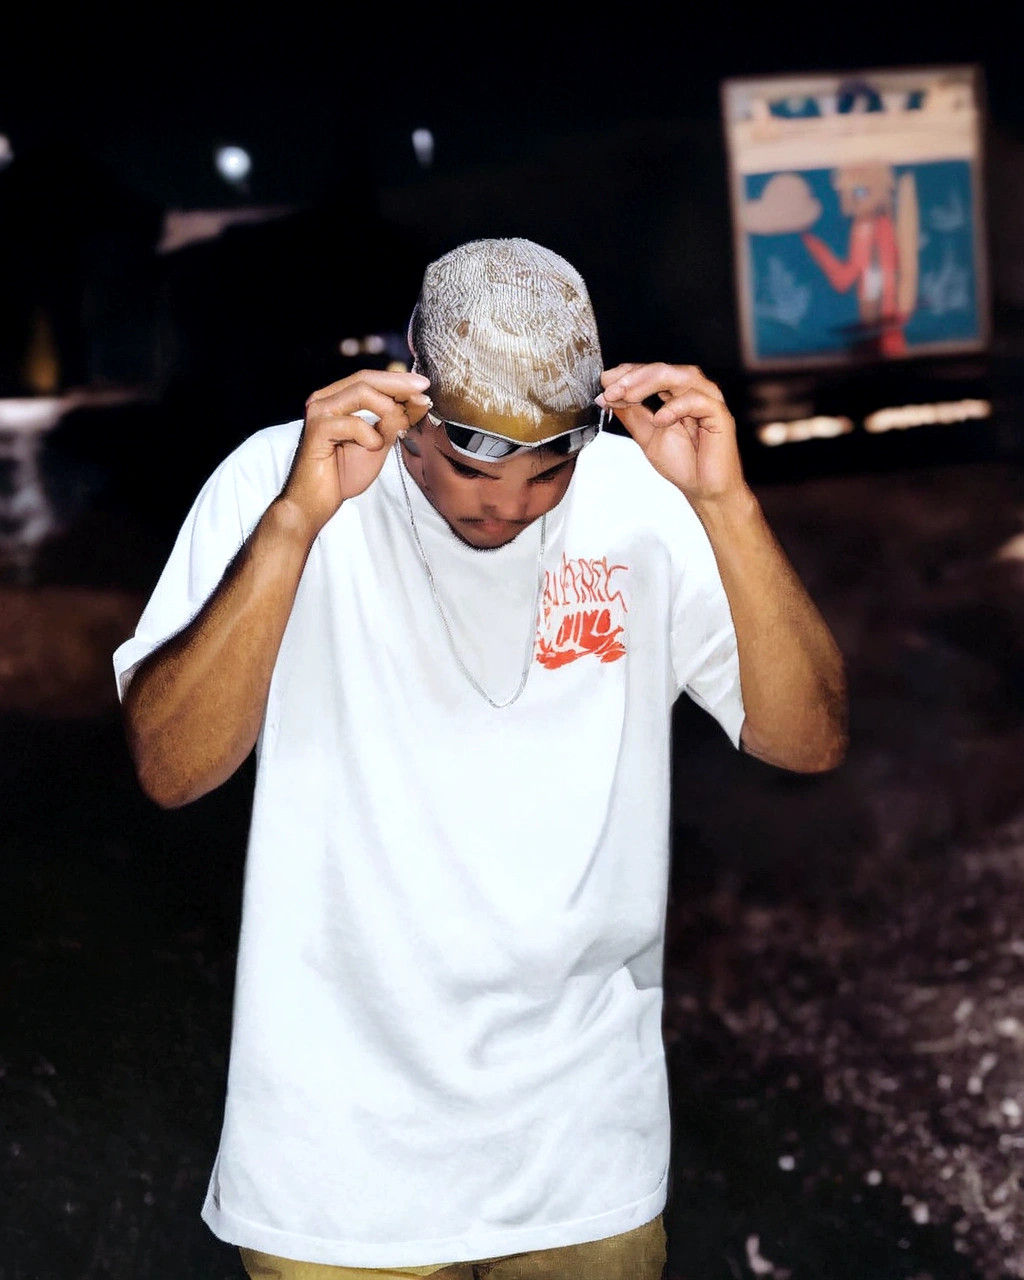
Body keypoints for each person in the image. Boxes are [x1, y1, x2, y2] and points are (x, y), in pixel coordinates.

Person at [112, 236, 848, 1280]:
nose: (509, 503)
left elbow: (808, 735)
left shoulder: (642, 499)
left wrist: (724, 506)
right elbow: (172, 766)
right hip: (336, 1168)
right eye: (472, 464)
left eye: (551, 468)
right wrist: (291, 528)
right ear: (412, 394)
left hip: (581, 1153)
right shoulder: (282, 479)